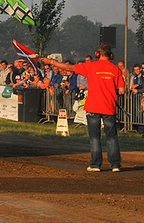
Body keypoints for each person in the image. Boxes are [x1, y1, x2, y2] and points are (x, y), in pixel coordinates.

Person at [41, 43, 125, 172]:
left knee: (95, 137)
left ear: (98, 54)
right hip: (109, 107)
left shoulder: (91, 66)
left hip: (93, 107)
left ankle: (95, 164)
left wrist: (52, 62)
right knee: (112, 137)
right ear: (111, 55)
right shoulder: (116, 69)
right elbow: (122, 90)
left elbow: (69, 67)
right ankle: (115, 165)